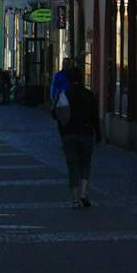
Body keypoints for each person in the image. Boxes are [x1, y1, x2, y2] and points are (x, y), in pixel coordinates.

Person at [56, 62, 102, 208]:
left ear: (69, 79)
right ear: (82, 79)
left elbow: (56, 115)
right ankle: (84, 193)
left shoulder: (64, 95)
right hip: (86, 134)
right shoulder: (89, 95)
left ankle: (75, 200)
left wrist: (62, 133)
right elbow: (95, 117)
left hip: (69, 135)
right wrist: (98, 136)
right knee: (85, 164)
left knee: (72, 166)